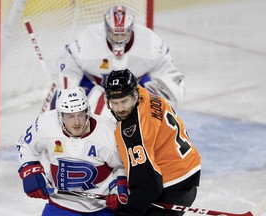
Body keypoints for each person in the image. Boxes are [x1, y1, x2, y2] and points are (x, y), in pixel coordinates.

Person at [53, 4, 185, 117]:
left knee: (167, 98)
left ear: (131, 29)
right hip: (94, 86)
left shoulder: (150, 42)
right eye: (115, 34)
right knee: (61, 101)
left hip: (136, 89)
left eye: (123, 34)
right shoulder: (88, 40)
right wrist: (71, 97)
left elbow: (169, 71)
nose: (119, 39)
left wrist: (163, 92)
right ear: (107, 29)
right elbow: (67, 71)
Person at [16, 87, 128, 216]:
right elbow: (25, 145)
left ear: (88, 111)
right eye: (70, 116)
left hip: (100, 208)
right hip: (60, 205)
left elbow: (123, 164)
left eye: (81, 114)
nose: (77, 122)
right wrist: (30, 171)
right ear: (60, 116)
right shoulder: (45, 124)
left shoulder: (108, 132)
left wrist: (119, 187)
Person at [104, 69, 201, 216]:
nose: (120, 109)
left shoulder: (133, 131)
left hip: (172, 185)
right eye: (115, 103)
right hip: (185, 168)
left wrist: (126, 211)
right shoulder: (146, 95)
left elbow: (149, 186)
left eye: (124, 101)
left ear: (134, 95)